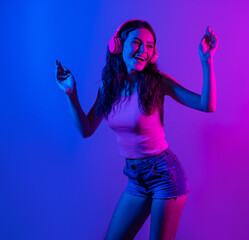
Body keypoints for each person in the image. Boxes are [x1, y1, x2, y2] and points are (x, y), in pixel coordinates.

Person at [55, 19, 218, 240]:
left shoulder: (157, 82)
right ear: (118, 46)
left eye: (150, 45)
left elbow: (206, 105)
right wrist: (71, 95)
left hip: (165, 175)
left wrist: (206, 60)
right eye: (137, 43)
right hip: (136, 179)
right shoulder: (108, 86)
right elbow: (86, 129)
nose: (144, 50)